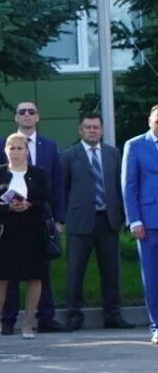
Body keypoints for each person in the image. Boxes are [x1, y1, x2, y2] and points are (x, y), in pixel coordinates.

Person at [0, 100, 65, 333]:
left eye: (32, 112)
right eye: (22, 111)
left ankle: (44, 318)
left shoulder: (49, 146)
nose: (27, 115)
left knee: (39, 272)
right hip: (8, 223)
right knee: (7, 274)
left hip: (39, 219)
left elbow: (57, 184)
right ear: (16, 117)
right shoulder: (2, 144)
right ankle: (7, 320)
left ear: (38, 117)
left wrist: (59, 218)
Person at [62, 114, 131, 331]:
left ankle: (113, 315)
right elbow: (62, 190)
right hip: (79, 222)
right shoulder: (68, 156)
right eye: (88, 127)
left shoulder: (113, 154)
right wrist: (61, 219)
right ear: (80, 130)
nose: (92, 131)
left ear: (101, 130)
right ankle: (73, 315)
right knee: (75, 272)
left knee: (111, 272)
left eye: (96, 127)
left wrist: (121, 216)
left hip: (108, 221)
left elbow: (121, 186)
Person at [0, 134, 52, 340]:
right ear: (6, 151)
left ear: (26, 151)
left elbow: (45, 200)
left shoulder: (37, 173)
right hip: (6, 232)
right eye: (12, 148)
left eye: (20, 148)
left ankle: (28, 325)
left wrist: (29, 205)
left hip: (32, 232)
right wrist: (7, 207)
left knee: (33, 277)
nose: (16, 152)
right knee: (1, 278)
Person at [121, 104, 158, 344]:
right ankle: (156, 325)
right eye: (157, 120)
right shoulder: (134, 145)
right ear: (150, 121)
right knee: (152, 276)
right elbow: (129, 185)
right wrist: (134, 219)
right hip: (149, 221)